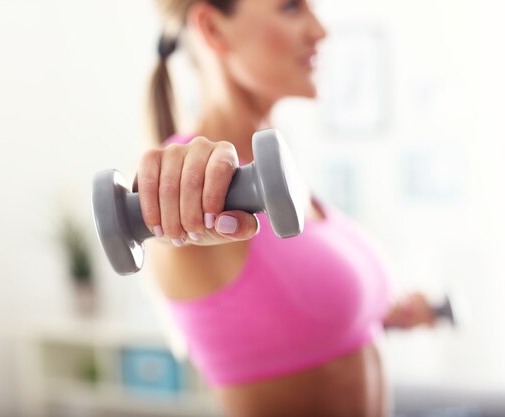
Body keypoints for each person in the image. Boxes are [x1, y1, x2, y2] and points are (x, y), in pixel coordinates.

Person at [134, 1, 438, 416]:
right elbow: (174, 226)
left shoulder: (276, 176)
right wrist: (172, 186)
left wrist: (386, 310)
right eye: (292, 7)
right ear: (213, 28)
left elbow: (294, 314)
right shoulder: (201, 186)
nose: (320, 31)